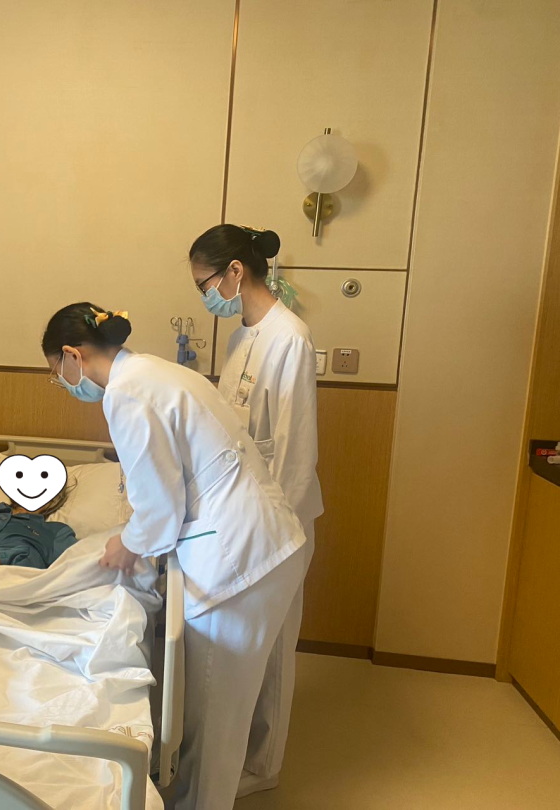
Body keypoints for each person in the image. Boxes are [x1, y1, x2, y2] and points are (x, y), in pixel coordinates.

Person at [41, 303, 308, 810]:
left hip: (238, 561)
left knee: (214, 717)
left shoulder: (125, 393)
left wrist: (127, 545)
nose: (65, 383)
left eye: (59, 372)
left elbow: (160, 509)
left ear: (72, 355)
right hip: (267, 540)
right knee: (227, 709)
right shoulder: (155, 370)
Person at [190, 224, 322, 797]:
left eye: (205, 285)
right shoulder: (241, 337)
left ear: (235, 272)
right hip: (243, 511)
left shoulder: (290, 338)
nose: (205, 296)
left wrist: (276, 533)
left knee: (274, 649)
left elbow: (295, 449)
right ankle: (239, 751)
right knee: (250, 647)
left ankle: (264, 767)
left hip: (279, 520)